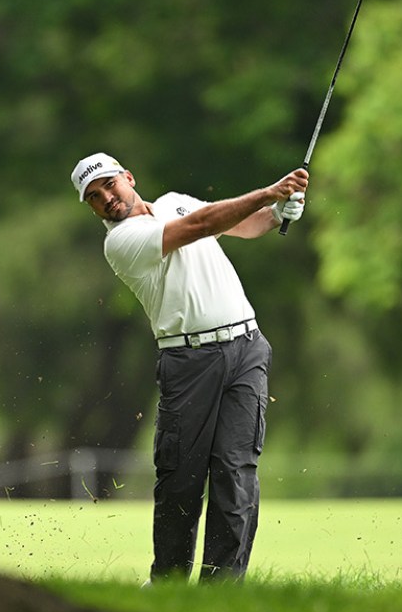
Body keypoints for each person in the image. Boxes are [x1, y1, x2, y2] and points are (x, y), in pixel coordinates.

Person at [71, 152, 308, 583]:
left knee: (235, 474)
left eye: (109, 184)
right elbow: (203, 226)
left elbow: (239, 225)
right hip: (188, 361)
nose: (106, 197)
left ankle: (223, 586)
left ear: (129, 176)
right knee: (181, 479)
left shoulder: (176, 201)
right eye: (94, 196)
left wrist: (275, 213)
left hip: (247, 349)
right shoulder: (122, 242)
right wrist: (269, 193)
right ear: (90, 208)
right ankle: (170, 583)